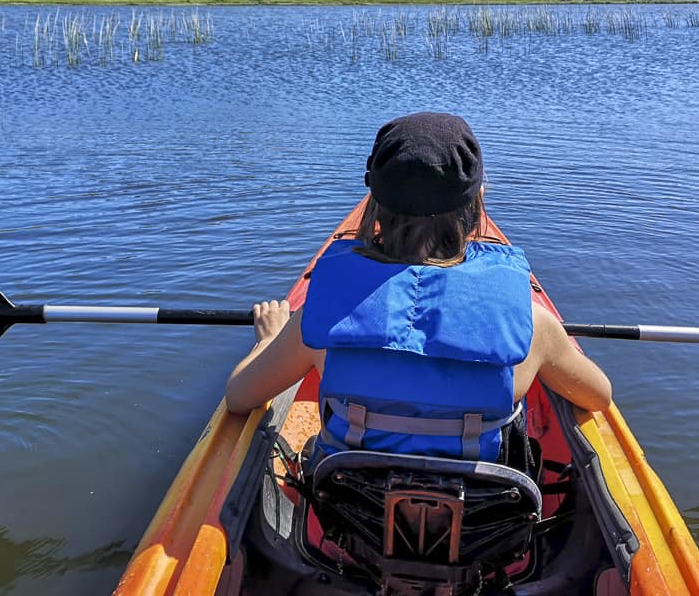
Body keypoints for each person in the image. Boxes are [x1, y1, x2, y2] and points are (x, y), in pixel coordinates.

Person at [225, 112, 611, 465]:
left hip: (355, 519)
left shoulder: (321, 321)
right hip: (484, 526)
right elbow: (598, 396)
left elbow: (240, 397)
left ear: (375, 207)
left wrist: (268, 339)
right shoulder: (534, 328)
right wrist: (555, 345)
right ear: (476, 203)